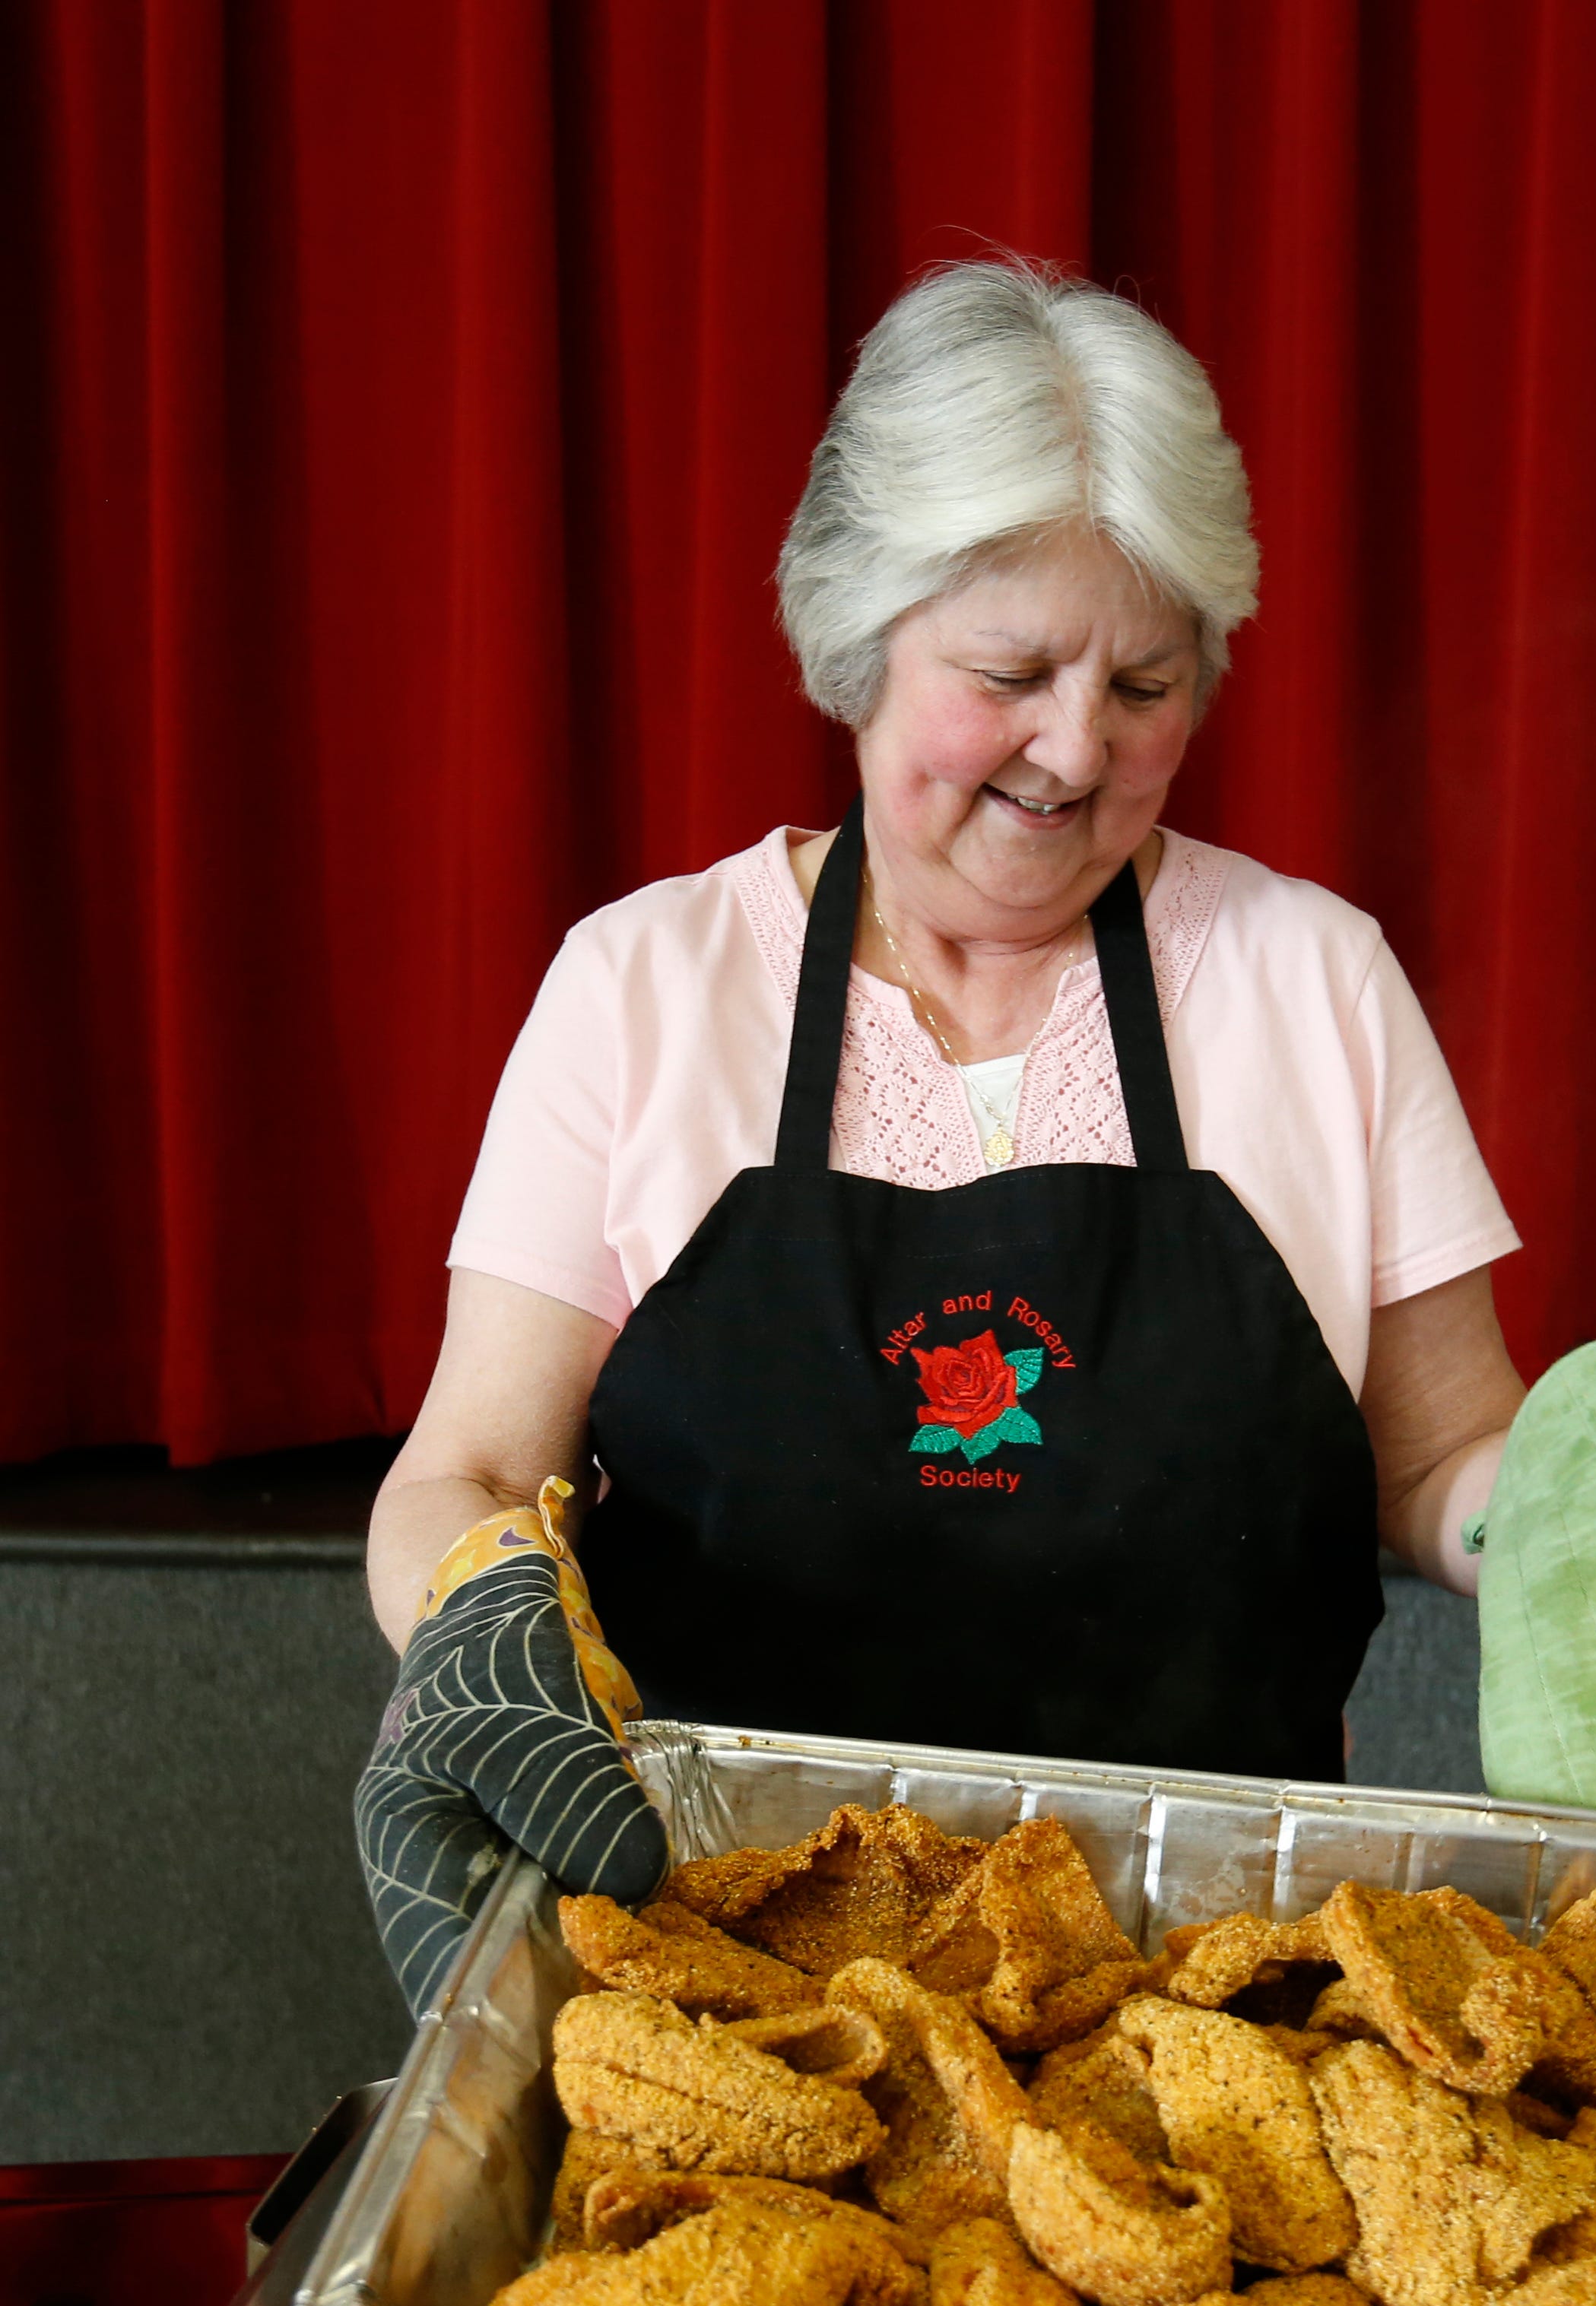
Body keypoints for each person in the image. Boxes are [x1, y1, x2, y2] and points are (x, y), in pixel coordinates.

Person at [360, 260, 1523, 2006]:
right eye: (1013, 670)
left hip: (1223, 2010)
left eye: (1146, 681)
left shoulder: (1317, 984)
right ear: (858, 641)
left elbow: (1448, 1465)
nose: (1080, 746)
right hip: (738, 1996)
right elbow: (458, 1473)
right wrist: (474, 1623)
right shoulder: (640, 987)